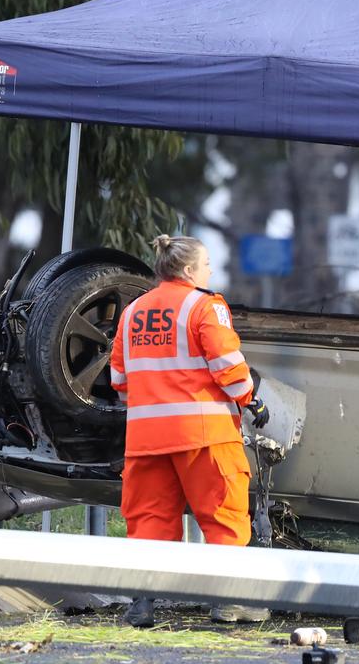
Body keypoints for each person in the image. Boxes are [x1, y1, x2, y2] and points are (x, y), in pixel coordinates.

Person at [109, 234, 271, 627]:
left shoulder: (133, 311)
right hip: (205, 435)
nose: (210, 270)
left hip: (146, 438)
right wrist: (251, 399)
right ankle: (227, 602)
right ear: (188, 270)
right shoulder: (205, 305)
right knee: (223, 516)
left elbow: (118, 376)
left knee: (148, 520)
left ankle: (142, 605)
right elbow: (229, 366)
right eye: (207, 264)